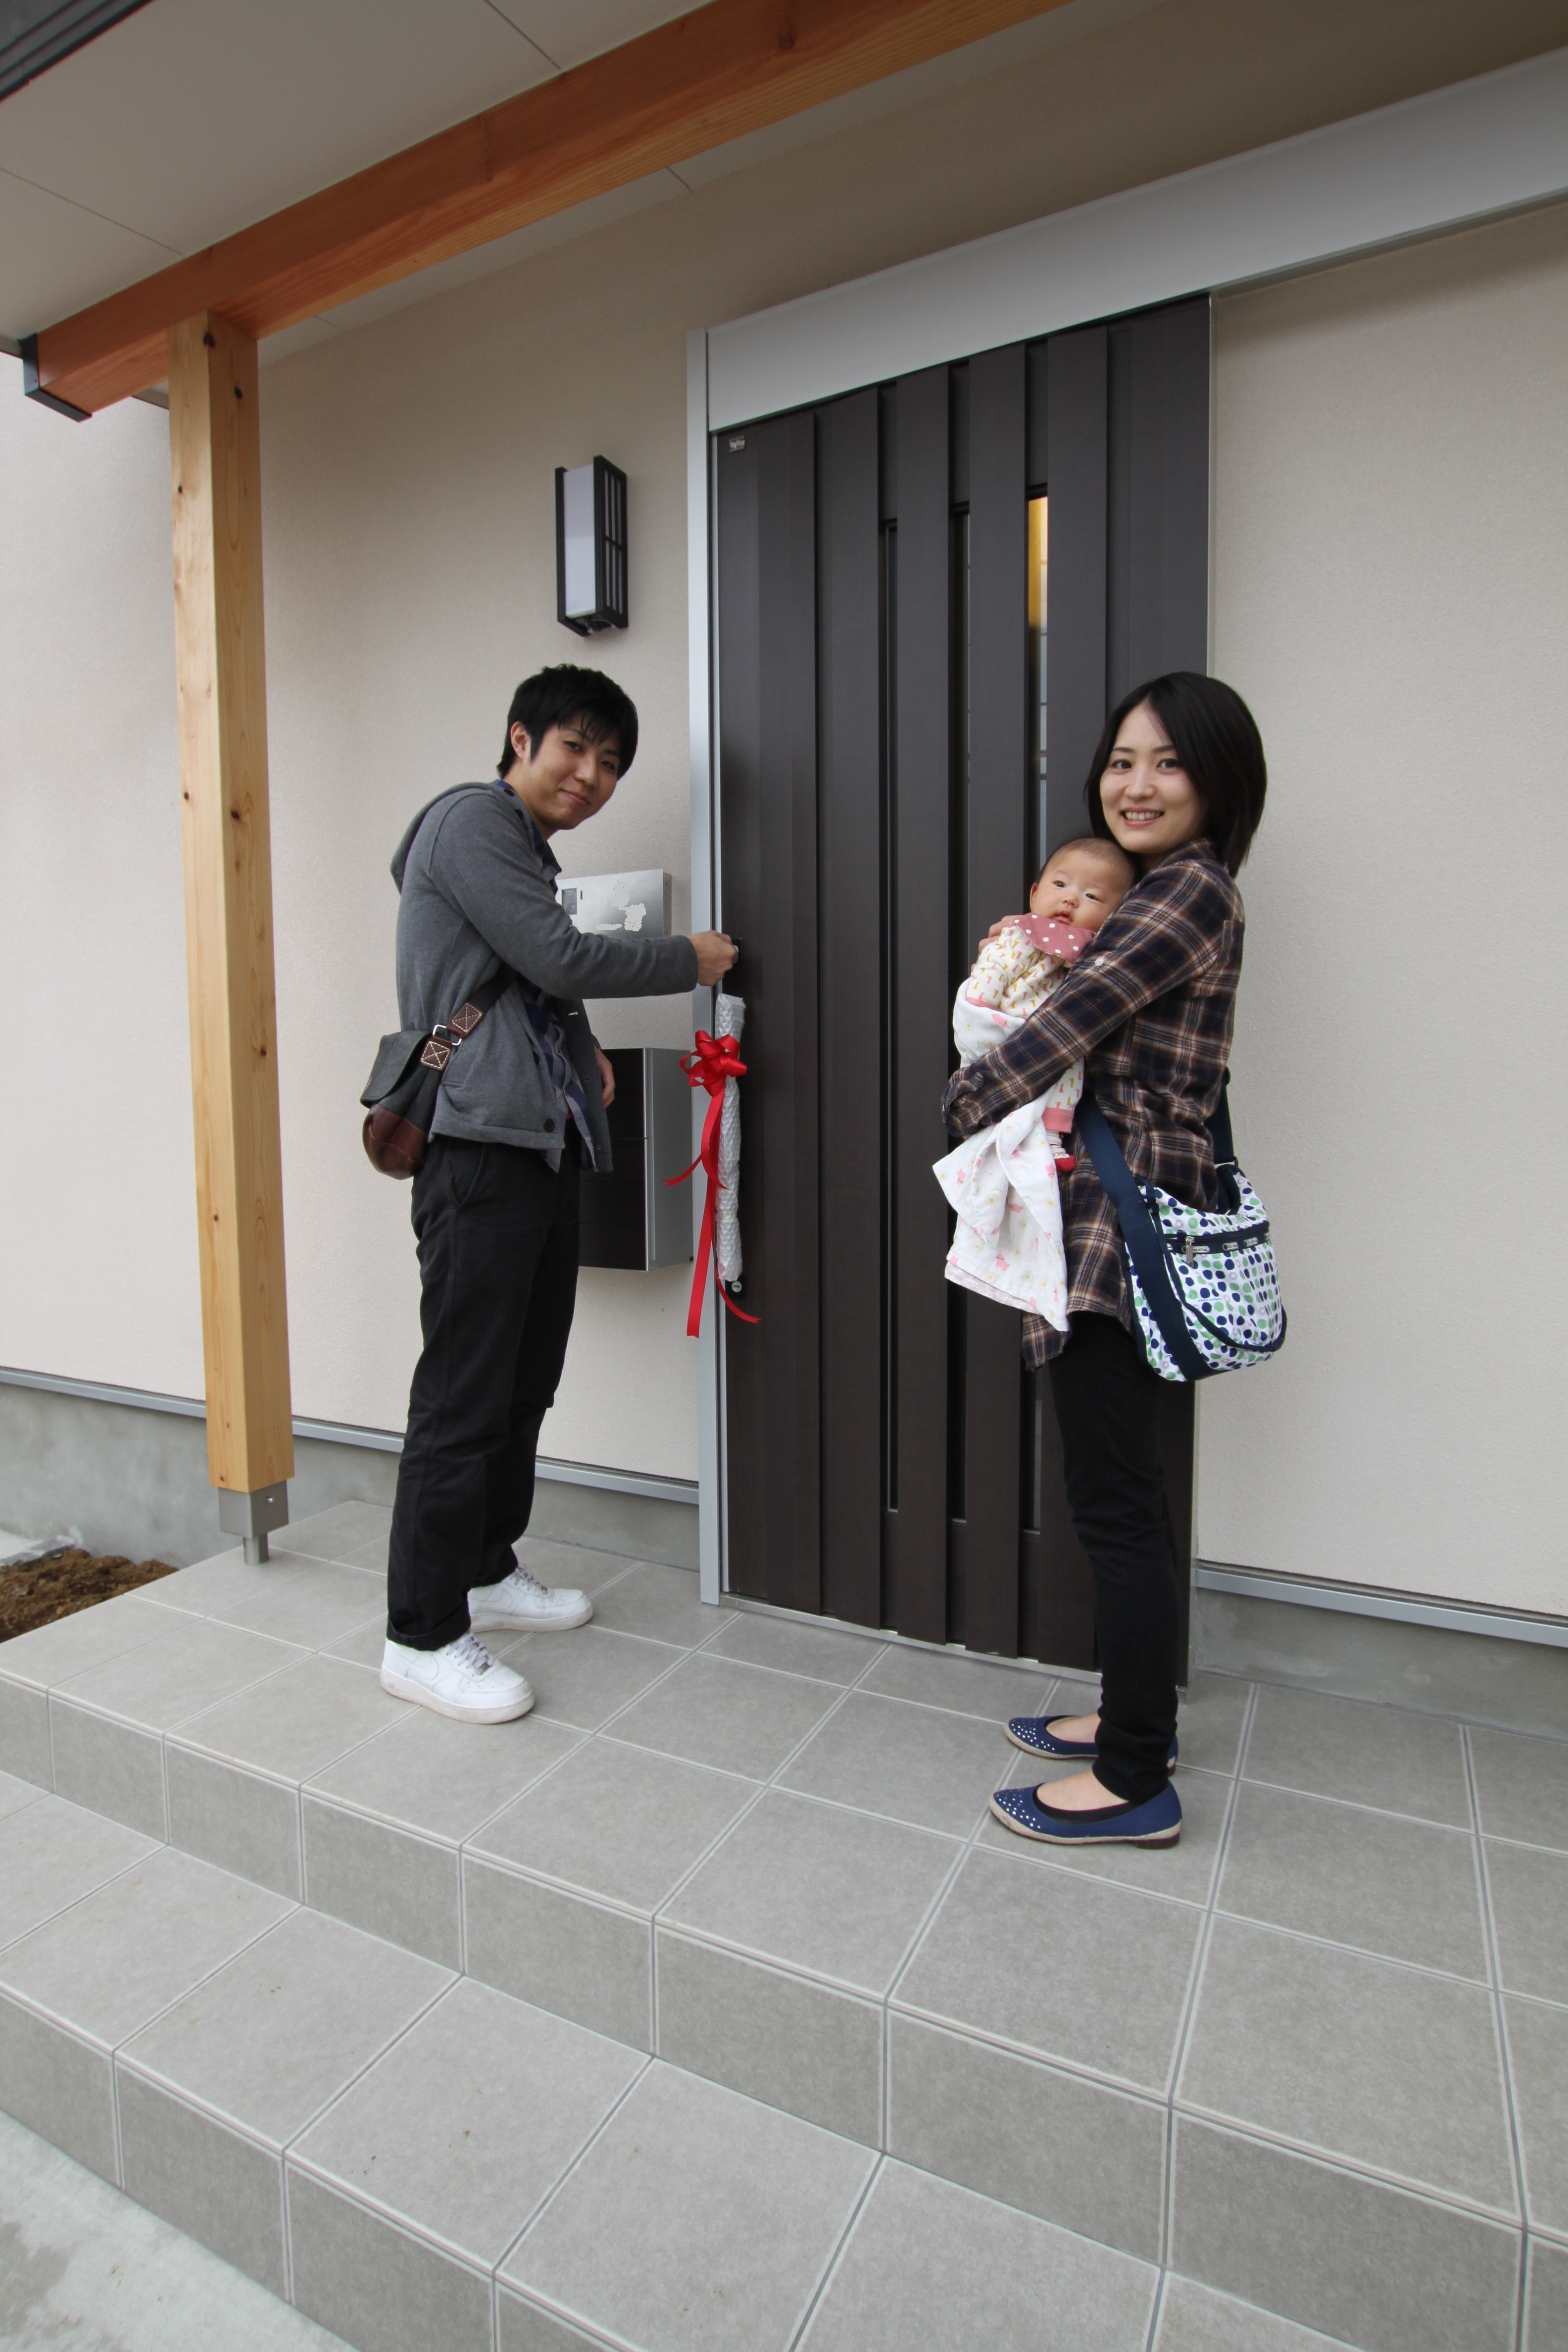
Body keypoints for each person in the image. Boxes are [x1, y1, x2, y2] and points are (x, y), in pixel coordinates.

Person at [942, 672, 1267, 1848]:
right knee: (1125, 1490)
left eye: (1168, 763)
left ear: (1217, 780)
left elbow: (1071, 1023)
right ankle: (1142, 1722)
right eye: (1123, 760)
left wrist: (965, 1099)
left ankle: (1135, 1780)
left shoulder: (1187, 891)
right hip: (1108, 1212)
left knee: (1115, 1499)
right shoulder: (1174, 890)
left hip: (1112, 1228)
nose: (1137, 784)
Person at [380, 665, 736, 1724]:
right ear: (520, 739)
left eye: (611, 762)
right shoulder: (472, 823)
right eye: (575, 747)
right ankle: (420, 1635)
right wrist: (688, 958)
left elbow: (534, 983)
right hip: (476, 1150)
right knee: (463, 1395)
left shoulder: (526, 853)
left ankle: (487, 1567)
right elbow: (555, 953)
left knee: (524, 1381)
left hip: (539, 1145)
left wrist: (584, 1057)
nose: (591, 774)